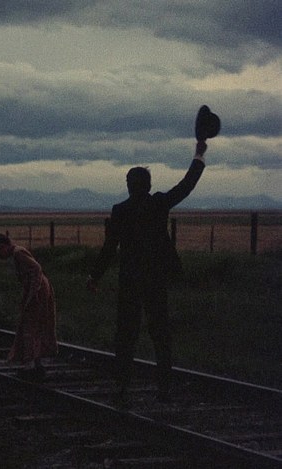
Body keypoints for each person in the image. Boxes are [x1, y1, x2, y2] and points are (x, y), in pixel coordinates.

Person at [87, 139, 208, 403]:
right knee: (161, 333)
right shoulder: (158, 204)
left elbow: (109, 249)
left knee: (126, 334)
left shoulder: (120, 211)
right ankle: (164, 388)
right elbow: (186, 185)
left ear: (128, 186)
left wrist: (94, 276)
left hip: (129, 280)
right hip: (156, 278)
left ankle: (122, 386)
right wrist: (199, 154)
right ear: (149, 185)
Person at [0, 233, 58, 381]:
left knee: (29, 327)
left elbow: (36, 268)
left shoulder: (18, 253)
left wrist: (32, 293)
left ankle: (30, 366)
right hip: (39, 289)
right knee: (35, 326)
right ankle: (37, 364)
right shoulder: (17, 252)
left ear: (2, 246)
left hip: (38, 291)